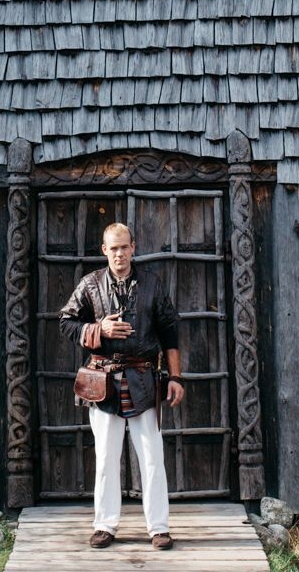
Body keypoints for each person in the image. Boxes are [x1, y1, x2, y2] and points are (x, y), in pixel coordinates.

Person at [58, 221, 185, 550]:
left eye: (124, 247)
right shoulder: (89, 285)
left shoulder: (153, 285)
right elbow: (67, 321)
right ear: (104, 250)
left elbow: (170, 333)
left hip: (144, 380)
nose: (119, 253)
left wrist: (176, 377)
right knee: (105, 457)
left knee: (152, 457)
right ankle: (105, 525)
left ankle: (158, 528)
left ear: (133, 247)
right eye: (112, 248)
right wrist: (99, 329)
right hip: (103, 384)